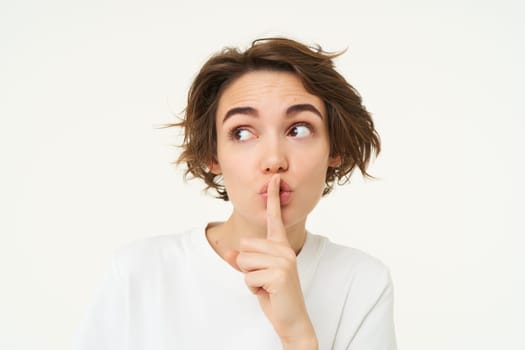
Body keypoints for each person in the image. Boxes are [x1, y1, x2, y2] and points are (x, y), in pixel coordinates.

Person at [73, 37, 397, 350]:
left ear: (334, 148)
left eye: (298, 129)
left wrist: (299, 338)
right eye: (242, 133)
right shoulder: (139, 272)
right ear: (213, 156)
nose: (273, 160)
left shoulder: (362, 282)